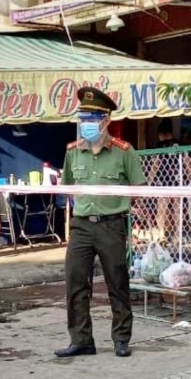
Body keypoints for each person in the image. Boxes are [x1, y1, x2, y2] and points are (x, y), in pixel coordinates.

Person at [56, 86, 142, 358]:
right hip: (81, 225)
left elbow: (138, 189)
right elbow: (67, 188)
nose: (86, 123)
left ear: (106, 120)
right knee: (75, 281)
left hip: (111, 225)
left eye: (92, 118)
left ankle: (121, 339)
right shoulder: (73, 152)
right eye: (83, 118)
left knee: (117, 282)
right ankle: (81, 340)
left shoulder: (123, 152)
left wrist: (119, 211)